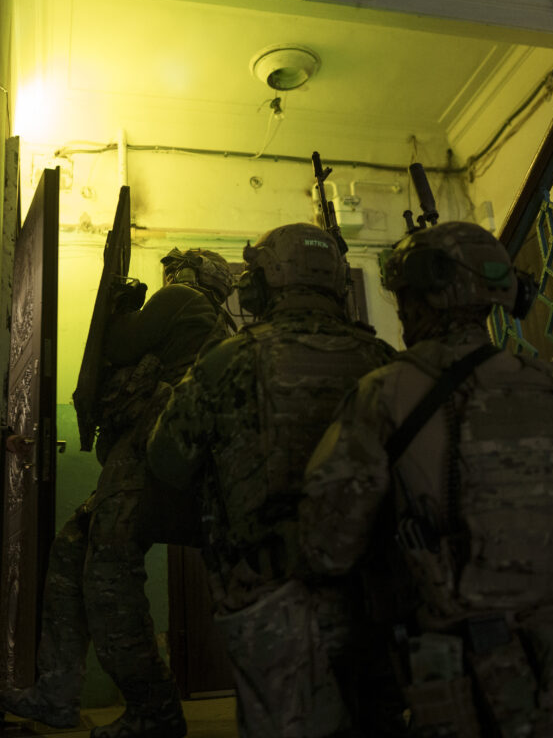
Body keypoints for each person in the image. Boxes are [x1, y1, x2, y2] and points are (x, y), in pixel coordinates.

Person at [299, 221, 553, 737]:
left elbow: (326, 548)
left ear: (418, 301)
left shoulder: (384, 393)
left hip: (483, 679)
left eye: (403, 296)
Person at [147, 223, 396, 737]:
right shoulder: (386, 364)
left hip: (268, 596)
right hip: (376, 595)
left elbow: (168, 461)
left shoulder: (228, 360)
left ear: (261, 283)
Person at [0, 248, 237, 738]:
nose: (169, 275)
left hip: (148, 457)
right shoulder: (218, 323)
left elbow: (121, 344)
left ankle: (154, 708)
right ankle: (57, 693)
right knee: (72, 548)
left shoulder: (181, 297)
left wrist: (120, 306)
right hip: (162, 460)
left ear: (191, 273)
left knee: (107, 572)